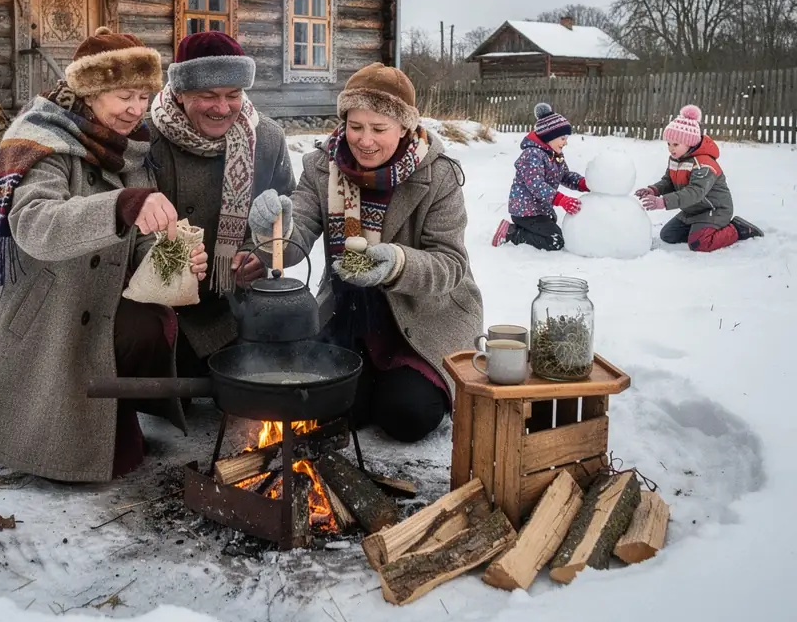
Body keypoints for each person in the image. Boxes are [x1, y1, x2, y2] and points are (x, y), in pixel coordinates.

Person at [0, 28, 207, 482]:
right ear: (89, 91)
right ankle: (50, 433)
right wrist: (120, 205)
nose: (136, 109)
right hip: (43, 308)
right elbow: (35, 223)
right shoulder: (43, 140)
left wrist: (173, 259)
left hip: (96, 297)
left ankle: (108, 414)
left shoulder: (130, 146)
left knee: (153, 323)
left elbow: (140, 237)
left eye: (143, 95)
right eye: (124, 96)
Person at [247, 62, 483, 443]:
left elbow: (451, 263)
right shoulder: (321, 167)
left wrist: (397, 263)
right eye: (355, 127)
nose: (365, 140)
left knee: (407, 415)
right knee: (329, 408)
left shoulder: (438, 175)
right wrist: (276, 227)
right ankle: (366, 383)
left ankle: (394, 382)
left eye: (379, 129)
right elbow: (298, 236)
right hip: (349, 311)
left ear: (404, 127)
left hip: (422, 317)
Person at [147, 31, 295, 373]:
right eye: (208, 95)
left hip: (232, 304)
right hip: (160, 304)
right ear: (180, 93)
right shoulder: (146, 138)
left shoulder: (267, 139)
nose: (223, 107)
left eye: (233, 94)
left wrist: (255, 252)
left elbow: (284, 217)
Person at [637, 104, 763, 251]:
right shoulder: (676, 159)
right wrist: (653, 190)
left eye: (676, 144)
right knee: (668, 235)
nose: (671, 148)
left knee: (699, 243)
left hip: (715, 209)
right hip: (693, 210)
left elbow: (695, 191)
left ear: (690, 142)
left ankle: (737, 229)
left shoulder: (704, 164)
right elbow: (669, 181)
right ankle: (699, 229)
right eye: (669, 144)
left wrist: (663, 202)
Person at [492, 102, 588, 251]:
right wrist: (561, 199)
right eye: (562, 138)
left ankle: (527, 229)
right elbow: (536, 185)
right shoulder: (531, 155)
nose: (565, 143)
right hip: (525, 211)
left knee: (554, 232)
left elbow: (565, 176)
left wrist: (583, 183)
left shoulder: (554, 154)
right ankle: (511, 233)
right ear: (550, 136)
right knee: (555, 241)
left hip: (541, 210)